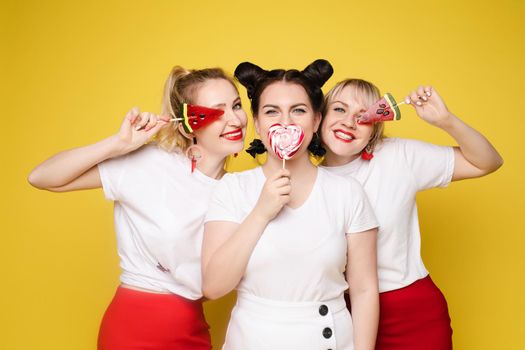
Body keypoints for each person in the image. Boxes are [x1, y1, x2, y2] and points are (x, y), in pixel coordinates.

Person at [27, 66, 247, 350]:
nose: (235, 119)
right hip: (136, 327)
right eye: (217, 111)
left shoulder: (241, 192)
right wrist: (117, 145)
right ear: (186, 125)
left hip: (192, 327)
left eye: (237, 106)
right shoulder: (151, 163)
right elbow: (42, 177)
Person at [201, 60, 379, 350]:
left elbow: (364, 289)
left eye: (298, 110)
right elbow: (214, 286)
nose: (286, 122)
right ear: (257, 124)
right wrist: (261, 212)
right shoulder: (232, 189)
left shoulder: (348, 192)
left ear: (316, 121)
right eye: (272, 112)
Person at [319, 79, 504, 350]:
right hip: (339, 316)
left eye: (363, 116)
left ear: (374, 130)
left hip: (413, 315)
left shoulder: (398, 156)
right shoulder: (305, 179)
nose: (349, 122)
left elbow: (488, 162)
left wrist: (446, 120)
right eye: (339, 109)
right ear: (319, 117)